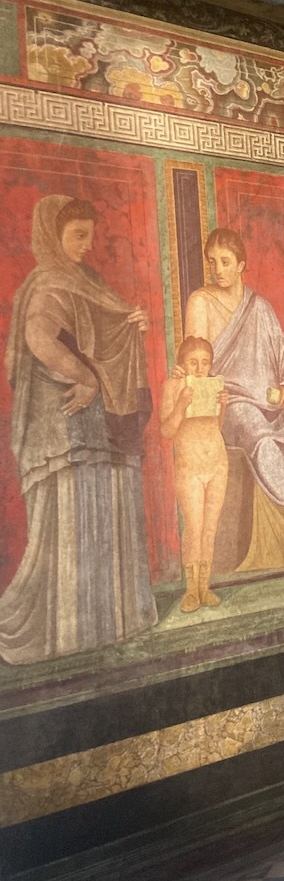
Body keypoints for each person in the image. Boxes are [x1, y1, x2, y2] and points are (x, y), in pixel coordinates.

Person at [1, 195, 156, 663]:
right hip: (65, 420)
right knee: (73, 517)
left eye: (90, 235)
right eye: (78, 236)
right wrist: (86, 378)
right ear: (54, 236)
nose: (87, 245)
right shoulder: (49, 282)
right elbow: (39, 339)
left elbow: (106, 333)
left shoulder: (87, 280)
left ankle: (114, 621)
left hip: (99, 420)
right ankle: (67, 633)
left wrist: (134, 322)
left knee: (105, 509)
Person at [182, 228, 284, 569]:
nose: (217, 270)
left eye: (225, 262)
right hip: (232, 404)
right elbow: (196, 364)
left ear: (241, 265)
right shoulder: (201, 302)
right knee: (263, 440)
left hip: (271, 403)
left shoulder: (260, 308)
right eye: (212, 262)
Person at [159, 335, 229, 611]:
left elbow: (217, 426)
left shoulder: (213, 386)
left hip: (217, 463)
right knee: (194, 526)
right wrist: (180, 404)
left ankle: (204, 587)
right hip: (190, 466)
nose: (200, 369)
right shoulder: (173, 386)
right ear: (182, 364)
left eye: (205, 363)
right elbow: (167, 431)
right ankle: (191, 591)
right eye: (193, 362)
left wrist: (223, 406)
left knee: (210, 527)